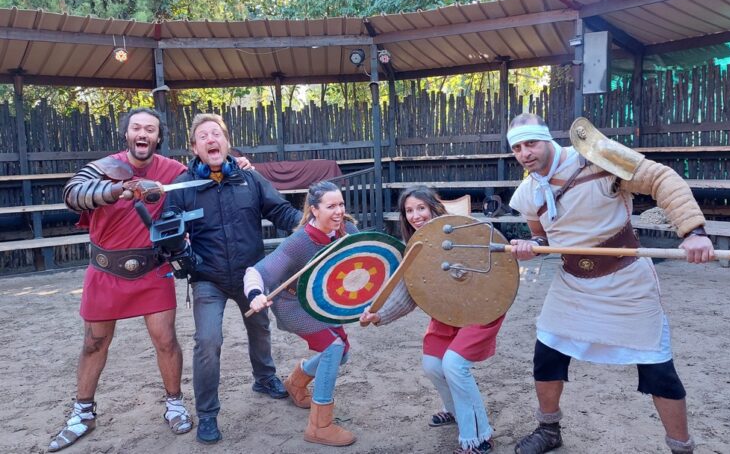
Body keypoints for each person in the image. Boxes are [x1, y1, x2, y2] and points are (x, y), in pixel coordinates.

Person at [506, 113, 714, 454]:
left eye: (531, 143)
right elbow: (541, 237)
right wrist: (531, 247)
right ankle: (548, 430)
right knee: (547, 355)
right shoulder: (528, 192)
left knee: (658, 370)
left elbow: (661, 178)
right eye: (517, 148)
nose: (525, 153)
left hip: (626, 280)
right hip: (572, 283)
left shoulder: (597, 155)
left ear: (547, 140)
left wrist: (693, 231)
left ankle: (681, 448)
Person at [49, 108, 193, 451]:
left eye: (150, 129)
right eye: (136, 128)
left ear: (158, 137)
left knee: (166, 340)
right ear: (127, 134)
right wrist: (120, 190)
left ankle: (174, 404)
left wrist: (239, 164)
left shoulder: (173, 171)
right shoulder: (103, 167)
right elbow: (72, 195)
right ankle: (83, 413)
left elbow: (207, 178)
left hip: (153, 269)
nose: (143, 134)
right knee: (93, 343)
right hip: (105, 271)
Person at [165, 113, 301, 444]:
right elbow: (168, 225)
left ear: (227, 142)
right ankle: (207, 414)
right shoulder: (182, 187)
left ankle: (264, 377)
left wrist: (309, 224)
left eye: (217, 134)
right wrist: (175, 238)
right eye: (203, 136)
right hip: (206, 278)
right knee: (208, 341)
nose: (211, 139)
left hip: (250, 275)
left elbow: (280, 211)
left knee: (260, 328)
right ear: (194, 147)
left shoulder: (250, 180)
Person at [359, 185, 505, 454]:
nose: (415, 216)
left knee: (454, 365)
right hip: (447, 312)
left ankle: (478, 436)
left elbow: (495, 263)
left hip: (479, 308)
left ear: (433, 207)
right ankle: (455, 410)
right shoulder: (416, 247)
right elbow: (410, 292)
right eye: (409, 211)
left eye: (420, 208)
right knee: (433, 365)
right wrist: (379, 313)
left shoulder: (462, 231)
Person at [244, 181, 359, 447]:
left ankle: (296, 383)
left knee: (342, 353)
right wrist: (255, 294)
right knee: (333, 348)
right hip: (292, 303)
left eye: (341, 204)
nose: (339, 211)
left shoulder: (348, 231)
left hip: (323, 302)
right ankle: (320, 426)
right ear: (314, 210)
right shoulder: (299, 242)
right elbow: (257, 272)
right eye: (331, 206)